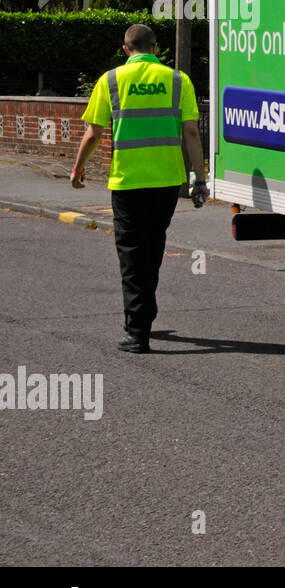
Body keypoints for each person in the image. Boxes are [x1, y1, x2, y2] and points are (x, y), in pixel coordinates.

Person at [70, 24, 207, 354]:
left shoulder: (111, 80)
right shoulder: (178, 80)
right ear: (156, 48)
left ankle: (136, 333)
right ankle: (145, 313)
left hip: (128, 182)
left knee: (132, 255)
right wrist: (199, 179)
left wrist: (77, 168)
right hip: (166, 182)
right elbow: (191, 132)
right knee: (153, 247)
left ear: (125, 48)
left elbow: (93, 133)